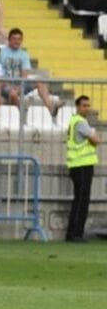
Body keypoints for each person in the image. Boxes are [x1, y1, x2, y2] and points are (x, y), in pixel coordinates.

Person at [65, 95, 99, 242]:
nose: (87, 108)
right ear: (78, 107)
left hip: (77, 166)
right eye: (84, 106)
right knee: (81, 201)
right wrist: (94, 134)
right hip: (82, 166)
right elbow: (96, 140)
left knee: (78, 200)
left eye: (88, 105)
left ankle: (72, 233)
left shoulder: (75, 121)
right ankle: (76, 234)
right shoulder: (80, 122)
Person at [0, 28, 56, 109]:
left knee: (40, 83)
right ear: (9, 40)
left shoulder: (24, 54)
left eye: (19, 39)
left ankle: (51, 107)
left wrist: (20, 87)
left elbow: (24, 73)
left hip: (19, 84)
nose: (16, 41)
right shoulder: (2, 52)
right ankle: (22, 113)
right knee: (13, 94)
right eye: (14, 39)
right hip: (5, 85)